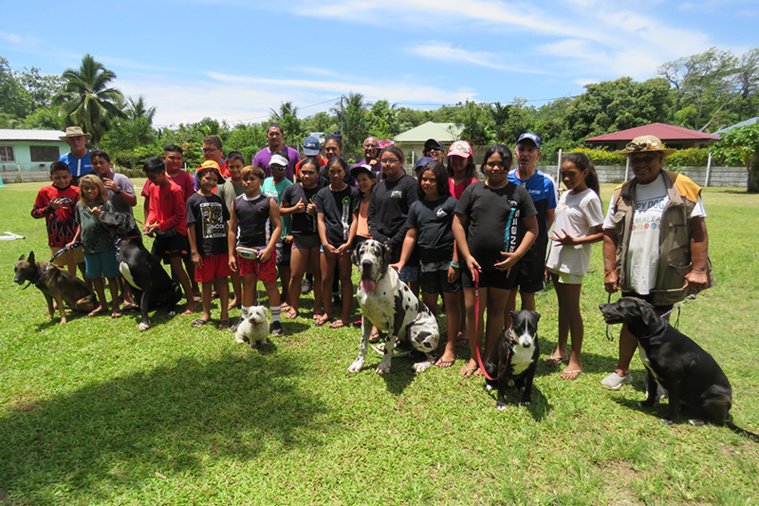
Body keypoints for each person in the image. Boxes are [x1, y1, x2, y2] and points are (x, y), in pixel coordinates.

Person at [601, 135, 712, 390]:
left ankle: (659, 376)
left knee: (661, 324)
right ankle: (622, 370)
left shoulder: (681, 186)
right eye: (635, 159)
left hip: (667, 269)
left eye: (647, 158)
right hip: (632, 267)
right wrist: (610, 271)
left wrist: (698, 269)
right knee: (630, 320)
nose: (640, 163)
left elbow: (698, 229)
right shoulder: (622, 192)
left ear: (661, 158)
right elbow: (609, 233)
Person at [452, 144, 538, 377]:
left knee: (497, 311)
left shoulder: (519, 193)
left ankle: (490, 357)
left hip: (505, 266)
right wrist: (466, 256)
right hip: (474, 265)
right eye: (491, 163)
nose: (496, 167)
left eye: (501, 163)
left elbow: (532, 229)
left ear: (508, 166)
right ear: (484, 165)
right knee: (473, 310)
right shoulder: (473, 191)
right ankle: (473, 357)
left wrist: (516, 256)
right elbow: (458, 223)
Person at [392, 160, 461, 368]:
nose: (427, 183)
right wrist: (402, 261)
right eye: (424, 179)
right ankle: (432, 344)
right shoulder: (416, 206)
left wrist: (455, 263)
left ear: (441, 182)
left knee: (451, 306)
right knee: (429, 306)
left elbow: (459, 234)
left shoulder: (451, 203)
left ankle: (450, 347)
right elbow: (411, 235)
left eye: (432, 180)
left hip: (448, 263)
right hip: (426, 264)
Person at [544, 153, 604, 380]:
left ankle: (576, 359)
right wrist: (549, 262)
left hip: (573, 261)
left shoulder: (590, 198)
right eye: (564, 175)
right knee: (562, 307)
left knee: (572, 309)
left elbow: (602, 233)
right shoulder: (566, 195)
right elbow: (559, 226)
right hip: (557, 259)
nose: (567, 179)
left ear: (585, 173)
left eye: (572, 174)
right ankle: (561, 349)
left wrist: (576, 241)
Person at [506, 132, 558, 326]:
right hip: (509, 246)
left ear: (538, 154)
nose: (525, 154)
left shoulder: (546, 183)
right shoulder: (507, 179)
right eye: (522, 149)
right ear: (515, 153)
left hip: (534, 249)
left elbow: (550, 216)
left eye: (530, 150)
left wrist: (533, 239)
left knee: (528, 294)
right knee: (508, 292)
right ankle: (508, 334)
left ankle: (527, 334)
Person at [228, 166, 285, 337]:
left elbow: (278, 227)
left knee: (270, 285)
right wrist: (231, 254)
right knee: (248, 284)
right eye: (245, 179)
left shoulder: (268, 202)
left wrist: (269, 249)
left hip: (264, 252)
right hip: (244, 251)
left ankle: (276, 321)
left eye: (252, 179)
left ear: (261, 181)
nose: (248, 182)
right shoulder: (236, 202)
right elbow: (232, 230)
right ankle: (245, 317)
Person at [142, 157, 196, 315]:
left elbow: (180, 216)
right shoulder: (153, 187)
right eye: (149, 177)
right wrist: (148, 223)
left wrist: (158, 225)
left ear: (162, 172)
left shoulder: (175, 189)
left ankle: (191, 301)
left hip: (177, 232)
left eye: (154, 176)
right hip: (162, 231)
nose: (151, 180)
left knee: (176, 265)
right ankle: (160, 297)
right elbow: (153, 209)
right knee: (153, 263)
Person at [314, 157, 359, 328]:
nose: (335, 174)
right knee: (326, 279)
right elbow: (320, 220)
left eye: (339, 171)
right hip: (327, 242)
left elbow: (355, 219)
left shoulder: (352, 193)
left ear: (345, 172)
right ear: (327, 172)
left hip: (345, 242)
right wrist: (324, 242)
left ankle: (345, 316)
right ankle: (327, 312)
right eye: (332, 171)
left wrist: (349, 243)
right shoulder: (322, 193)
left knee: (345, 278)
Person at [66, 175, 120, 318]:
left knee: (111, 276)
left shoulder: (106, 205)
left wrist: (98, 216)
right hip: (89, 248)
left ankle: (115, 305)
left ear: (99, 189)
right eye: (86, 188)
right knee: (95, 277)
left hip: (106, 246)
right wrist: (74, 240)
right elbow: (80, 224)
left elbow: (111, 228)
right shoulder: (80, 205)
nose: (89, 191)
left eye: (93, 188)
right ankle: (103, 303)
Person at [90, 148, 137, 309]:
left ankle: (128, 296)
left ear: (110, 163)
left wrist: (117, 190)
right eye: (95, 163)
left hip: (123, 229)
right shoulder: (94, 181)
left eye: (102, 162)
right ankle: (119, 294)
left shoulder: (120, 178)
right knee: (113, 264)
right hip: (104, 229)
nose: (98, 166)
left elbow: (133, 202)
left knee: (125, 262)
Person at [368, 145, 419, 293]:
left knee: (407, 289)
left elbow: (412, 216)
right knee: (383, 285)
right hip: (382, 245)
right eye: (383, 160)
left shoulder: (409, 184)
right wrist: (383, 241)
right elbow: (371, 217)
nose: (387, 164)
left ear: (401, 161)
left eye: (392, 160)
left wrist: (394, 242)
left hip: (404, 245)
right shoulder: (378, 187)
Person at [186, 165, 232, 329]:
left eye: (214, 180)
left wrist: (231, 247)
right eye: (208, 178)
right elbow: (190, 227)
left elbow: (226, 224)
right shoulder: (193, 201)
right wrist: (194, 252)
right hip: (205, 250)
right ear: (199, 178)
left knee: (223, 282)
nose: (211, 182)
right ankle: (206, 313)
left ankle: (224, 314)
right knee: (206, 283)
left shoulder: (218, 200)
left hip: (222, 248)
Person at [280, 158, 324, 319]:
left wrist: (317, 210)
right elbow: (280, 210)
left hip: (317, 238)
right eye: (304, 172)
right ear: (298, 172)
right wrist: (295, 209)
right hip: (299, 239)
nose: (306, 175)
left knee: (318, 275)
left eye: (311, 172)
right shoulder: (291, 189)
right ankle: (294, 306)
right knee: (295, 275)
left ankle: (318, 308)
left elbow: (329, 214)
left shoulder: (323, 191)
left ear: (318, 174)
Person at [31, 161, 87, 280]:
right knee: (58, 271)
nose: (62, 181)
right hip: (56, 239)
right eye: (57, 178)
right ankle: (61, 296)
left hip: (77, 238)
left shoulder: (77, 191)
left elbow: (84, 215)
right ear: (51, 177)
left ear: (70, 176)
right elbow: (35, 213)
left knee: (84, 269)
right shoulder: (45, 192)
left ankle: (88, 293)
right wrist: (50, 208)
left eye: (65, 177)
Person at [350, 163, 380, 337]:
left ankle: (376, 324)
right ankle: (366, 314)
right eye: (359, 180)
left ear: (373, 180)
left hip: (374, 241)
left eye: (365, 180)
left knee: (375, 281)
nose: (361, 183)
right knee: (364, 280)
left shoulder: (378, 198)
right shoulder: (357, 199)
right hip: (360, 241)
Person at [263, 152, 294, 310]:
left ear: (286, 169)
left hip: (283, 232)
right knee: (272, 264)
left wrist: (290, 232)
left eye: (280, 168)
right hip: (268, 230)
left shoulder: (289, 185)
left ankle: (288, 296)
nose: (275, 170)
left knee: (284, 267)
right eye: (273, 167)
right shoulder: (266, 182)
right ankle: (280, 294)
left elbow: (289, 210)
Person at [217, 151, 246, 310]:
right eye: (231, 167)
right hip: (230, 231)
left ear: (244, 166)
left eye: (238, 167)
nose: (235, 170)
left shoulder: (250, 183)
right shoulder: (223, 186)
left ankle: (249, 296)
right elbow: (220, 210)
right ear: (227, 167)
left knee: (247, 266)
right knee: (234, 266)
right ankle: (237, 297)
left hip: (248, 232)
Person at [142, 144, 194, 218]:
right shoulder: (155, 177)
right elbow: (148, 202)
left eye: (179, 158)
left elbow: (190, 203)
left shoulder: (187, 178)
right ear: (164, 158)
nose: (175, 161)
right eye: (171, 158)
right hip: (159, 224)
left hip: (179, 223)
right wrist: (147, 223)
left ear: (182, 160)